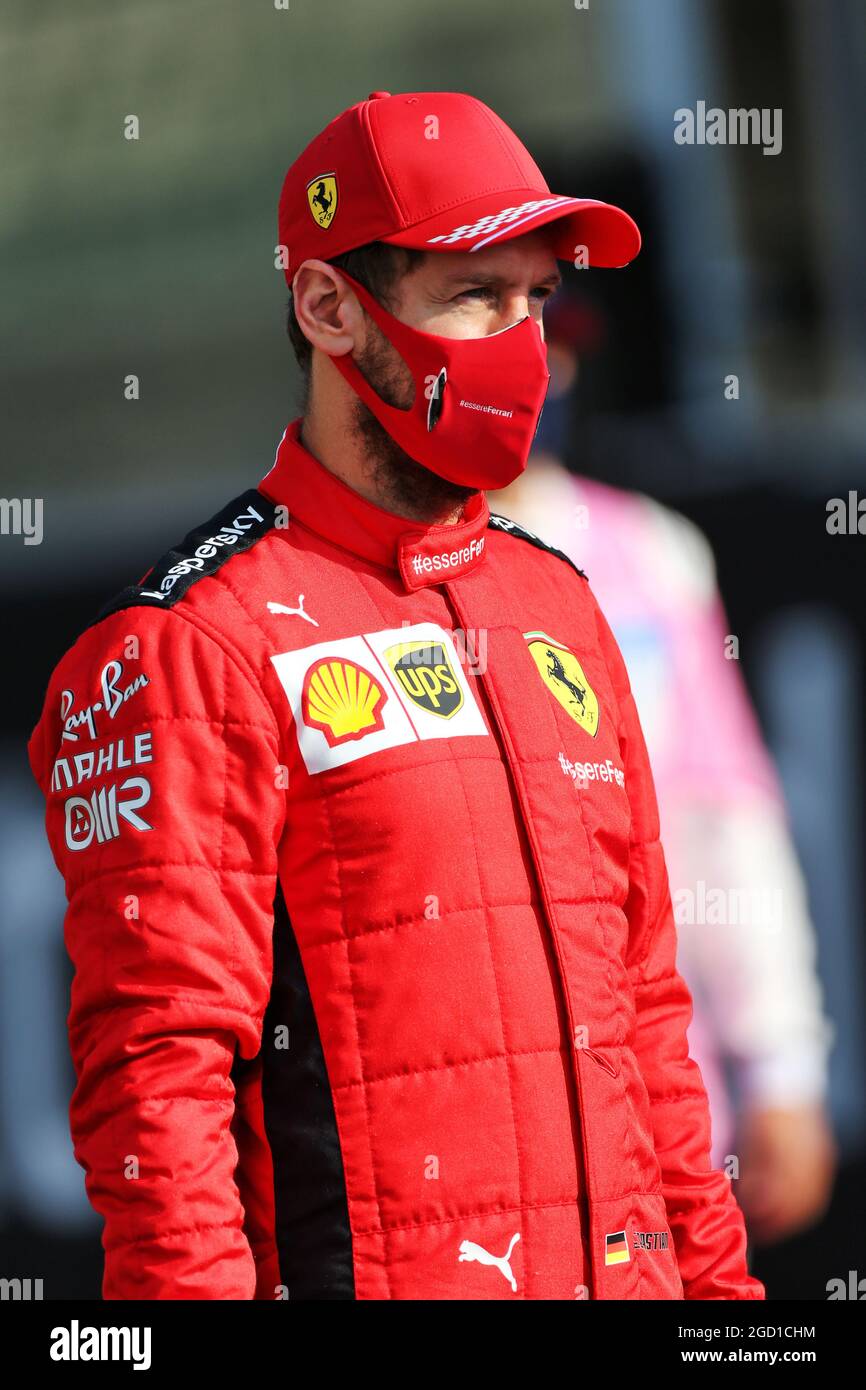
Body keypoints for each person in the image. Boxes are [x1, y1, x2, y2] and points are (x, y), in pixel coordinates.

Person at [28, 90, 765, 1301]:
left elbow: (645, 1024)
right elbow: (158, 1085)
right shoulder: (188, 644)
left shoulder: (559, 608)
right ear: (326, 306)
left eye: (536, 299)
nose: (521, 341)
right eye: (476, 294)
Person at [493, 294, 838, 1245]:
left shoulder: (652, 551)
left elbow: (726, 821)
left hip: (656, 1111)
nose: (537, 373)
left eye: (552, 346)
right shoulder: (357, 568)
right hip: (468, 1143)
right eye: (502, 337)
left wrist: (782, 1069)